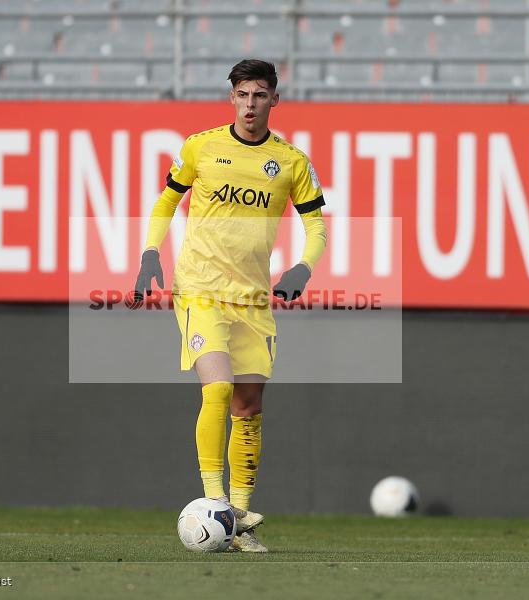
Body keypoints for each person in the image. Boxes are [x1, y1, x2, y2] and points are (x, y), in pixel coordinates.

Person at [134, 59, 327, 553]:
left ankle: (238, 520)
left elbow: (316, 225)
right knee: (217, 389)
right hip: (199, 288)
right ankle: (216, 502)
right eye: (241, 94)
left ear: (274, 101)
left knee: (249, 407)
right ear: (232, 98)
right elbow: (165, 202)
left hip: (252, 297)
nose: (249, 104)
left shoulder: (291, 161)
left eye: (259, 95)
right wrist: (150, 253)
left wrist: (304, 267)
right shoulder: (201, 146)